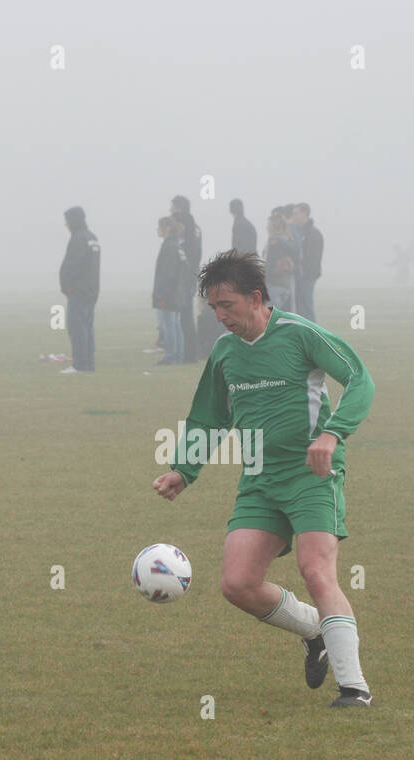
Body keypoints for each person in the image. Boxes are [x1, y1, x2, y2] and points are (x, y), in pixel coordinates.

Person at [153, 251, 376, 707]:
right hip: (258, 479)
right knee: (237, 584)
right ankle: (315, 632)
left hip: (311, 475)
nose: (219, 317)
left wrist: (332, 435)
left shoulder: (299, 334)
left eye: (227, 306)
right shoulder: (224, 352)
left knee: (315, 570)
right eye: (213, 308)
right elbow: (207, 418)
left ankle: (354, 688)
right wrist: (184, 470)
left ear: (256, 298)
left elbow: (359, 379)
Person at [58, 206, 100, 373]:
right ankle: (88, 363)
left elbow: (73, 266)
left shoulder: (78, 239)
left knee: (77, 328)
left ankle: (80, 364)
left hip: (79, 291)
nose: (66, 225)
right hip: (91, 290)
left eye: (67, 221)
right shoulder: (92, 237)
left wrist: (66, 285)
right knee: (87, 328)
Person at [170, 196, 202, 362]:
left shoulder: (187, 238)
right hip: (190, 278)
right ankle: (189, 353)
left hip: (186, 280)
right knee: (186, 316)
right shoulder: (195, 230)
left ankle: (189, 354)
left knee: (185, 317)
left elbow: (189, 260)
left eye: (172, 207)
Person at [152, 217, 187, 365]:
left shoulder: (168, 246)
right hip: (178, 292)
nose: (157, 230)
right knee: (176, 324)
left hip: (169, 293)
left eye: (159, 227)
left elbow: (167, 273)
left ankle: (171, 356)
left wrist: (161, 294)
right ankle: (178, 355)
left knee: (169, 324)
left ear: (166, 228)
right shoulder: (177, 246)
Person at [292, 203, 323, 322]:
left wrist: (304, 273)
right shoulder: (302, 232)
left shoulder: (312, 233)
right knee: (302, 307)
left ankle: (313, 334)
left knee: (307, 307)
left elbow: (311, 258)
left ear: (304, 213)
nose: (294, 216)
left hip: (307, 276)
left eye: (296, 213)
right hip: (303, 275)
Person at [264, 214, 299, 311]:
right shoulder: (289, 241)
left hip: (274, 283)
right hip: (286, 283)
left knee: (271, 317)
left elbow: (269, 265)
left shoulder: (273, 242)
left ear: (272, 226)